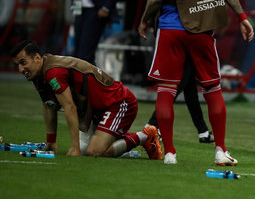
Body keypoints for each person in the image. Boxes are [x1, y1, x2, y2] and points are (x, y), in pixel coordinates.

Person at [138, 0, 254, 165]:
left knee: (166, 90)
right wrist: (242, 17)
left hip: (171, 30)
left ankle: (169, 153)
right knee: (213, 89)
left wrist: (145, 20)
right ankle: (220, 150)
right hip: (202, 30)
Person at [10, 40, 161, 159]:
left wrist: (74, 148)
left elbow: (70, 107)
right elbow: (48, 105)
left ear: (37, 57)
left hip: (119, 103)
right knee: (86, 150)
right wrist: (51, 143)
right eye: (18, 65)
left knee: (94, 151)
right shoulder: (40, 73)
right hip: (94, 110)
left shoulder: (53, 72)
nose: (21, 70)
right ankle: (116, 140)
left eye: (23, 63)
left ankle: (146, 135)